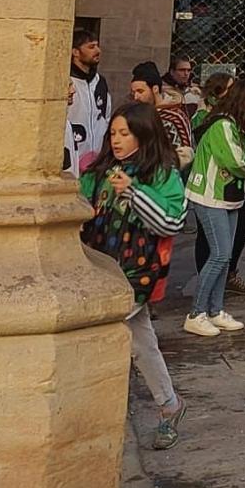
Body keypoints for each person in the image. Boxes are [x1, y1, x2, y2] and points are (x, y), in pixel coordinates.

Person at [79, 103, 188, 448]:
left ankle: (88, 415)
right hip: (99, 269)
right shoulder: (99, 172)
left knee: (99, 334)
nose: (117, 140)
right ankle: (169, 405)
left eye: (125, 133)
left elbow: (172, 221)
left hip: (136, 273)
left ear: (143, 133)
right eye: (113, 133)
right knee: (142, 343)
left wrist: (134, 192)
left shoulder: (161, 173)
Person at [185, 79, 245, 337]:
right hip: (210, 194)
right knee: (219, 254)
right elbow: (237, 160)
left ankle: (215, 310)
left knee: (225, 256)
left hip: (229, 196)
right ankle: (196, 312)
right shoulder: (223, 125)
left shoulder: (239, 126)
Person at [129, 60, 193, 169]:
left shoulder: (175, 117)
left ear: (154, 89)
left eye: (140, 91)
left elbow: (185, 156)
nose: (136, 97)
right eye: (133, 93)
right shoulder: (136, 115)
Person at [65, 27, 111, 176]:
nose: (97, 50)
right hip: (73, 158)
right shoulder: (68, 83)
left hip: (97, 162)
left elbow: (106, 117)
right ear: (75, 52)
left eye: (97, 46)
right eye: (91, 47)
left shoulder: (100, 83)